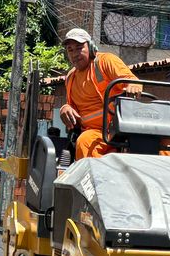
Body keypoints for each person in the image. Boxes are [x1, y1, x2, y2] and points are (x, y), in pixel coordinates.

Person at [58, 28, 138, 160]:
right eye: (70, 50)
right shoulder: (70, 77)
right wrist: (65, 108)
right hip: (95, 134)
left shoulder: (105, 61)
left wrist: (133, 85)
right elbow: (71, 107)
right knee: (84, 142)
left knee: (156, 140)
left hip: (120, 129)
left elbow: (131, 80)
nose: (74, 54)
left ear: (90, 47)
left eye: (79, 48)